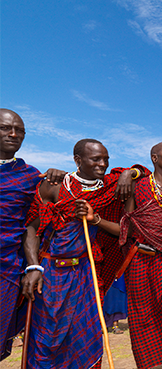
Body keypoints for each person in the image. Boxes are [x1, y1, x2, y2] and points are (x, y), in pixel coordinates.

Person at [20, 138, 143, 368]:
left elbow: (127, 230)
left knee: (86, 333)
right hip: (52, 272)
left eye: (106, 159)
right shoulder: (55, 185)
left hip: (86, 273)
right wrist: (33, 267)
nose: (103, 164)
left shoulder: (108, 189)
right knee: (47, 336)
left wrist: (129, 174)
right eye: (96, 159)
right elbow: (32, 229)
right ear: (77, 160)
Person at [85, 141, 162, 368]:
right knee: (142, 318)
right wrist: (95, 220)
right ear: (154, 158)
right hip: (140, 263)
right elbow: (126, 228)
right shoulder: (139, 186)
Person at [0, 109, 65, 362]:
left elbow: (34, 225)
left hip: (6, 267)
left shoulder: (31, 176)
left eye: (20, 131)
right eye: (6, 128)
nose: (14, 134)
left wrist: (33, 266)